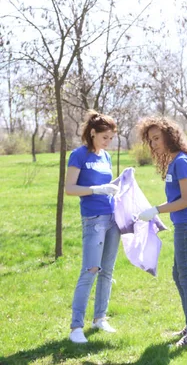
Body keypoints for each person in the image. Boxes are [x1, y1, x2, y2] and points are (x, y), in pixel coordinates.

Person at [137, 117, 187, 347]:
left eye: (157, 138)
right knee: (180, 275)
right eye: (151, 140)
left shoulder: (181, 162)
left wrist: (156, 210)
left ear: (170, 136)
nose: (154, 144)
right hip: (186, 223)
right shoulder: (174, 161)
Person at [65, 110, 120, 344]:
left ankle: (99, 318)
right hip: (93, 219)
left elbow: (107, 184)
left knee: (107, 271)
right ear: (93, 133)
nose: (108, 142)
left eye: (111, 138)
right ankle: (76, 327)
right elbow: (70, 188)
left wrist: (119, 184)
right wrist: (96, 190)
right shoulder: (79, 155)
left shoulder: (105, 157)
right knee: (90, 270)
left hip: (112, 218)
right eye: (104, 137)